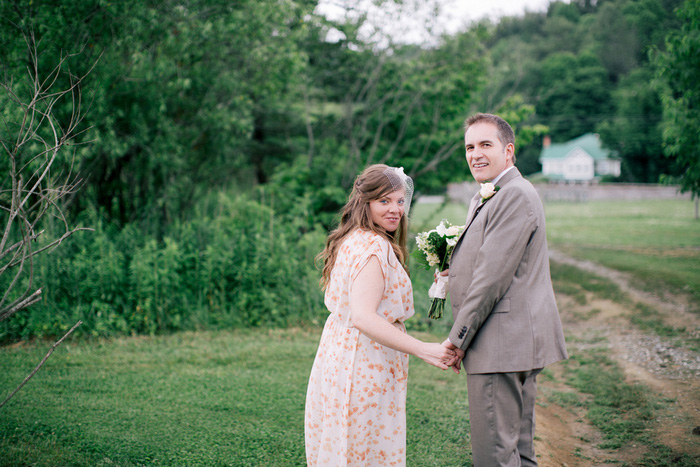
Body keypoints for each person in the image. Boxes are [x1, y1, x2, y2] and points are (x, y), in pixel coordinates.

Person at [305, 164, 458, 467]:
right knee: (366, 447)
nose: (395, 209)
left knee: (344, 445)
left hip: (338, 352)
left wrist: (441, 282)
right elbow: (363, 316)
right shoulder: (375, 247)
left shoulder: (352, 238)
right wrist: (423, 349)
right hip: (364, 361)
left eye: (400, 201)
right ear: (366, 202)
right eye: (384, 201)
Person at [442, 113, 568, 466]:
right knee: (518, 452)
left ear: (508, 151)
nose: (475, 154)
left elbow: (491, 279)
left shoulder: (514, 195)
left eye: (485, 145)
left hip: (500, 344)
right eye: (469, 146)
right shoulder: (489, 195)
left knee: (494, 455)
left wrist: (458, 339)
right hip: (511, 343)